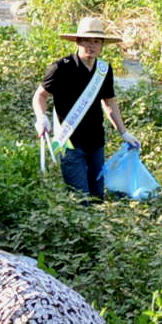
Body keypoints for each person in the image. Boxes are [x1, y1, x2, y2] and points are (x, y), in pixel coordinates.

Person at [31, 17, 136, 202]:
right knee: (80, 200)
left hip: (96, 142)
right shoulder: (60, 68)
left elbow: (109, 103)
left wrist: (124, 133)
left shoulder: (104, 69)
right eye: (87, 40)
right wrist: (41, 117)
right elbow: (40, 96)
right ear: (78, 41)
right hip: (70, 143)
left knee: (97, 197)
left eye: (96, 41)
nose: (91, 46)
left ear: (102, 45)